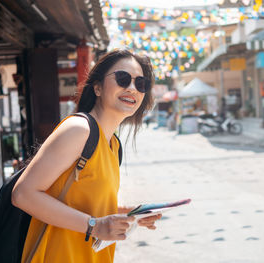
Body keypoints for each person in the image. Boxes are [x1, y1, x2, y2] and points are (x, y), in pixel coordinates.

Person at [12, 49, 162, 263]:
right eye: (122, 78)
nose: (132, 88)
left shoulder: (112, 144)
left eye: (141, 84)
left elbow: (81, 204)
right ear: (98, 87)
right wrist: (95, 226)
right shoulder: (79, 129)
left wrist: (130, 214)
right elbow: (23, 194)